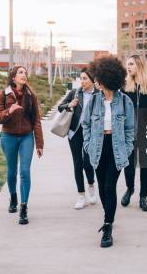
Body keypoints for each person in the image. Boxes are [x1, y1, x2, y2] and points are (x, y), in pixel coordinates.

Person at [82, 56, 134, 248]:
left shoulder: (125, 101)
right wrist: (87, 145)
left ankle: (107, 226)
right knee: (103, 187)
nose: (95, 81)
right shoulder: (94, 101)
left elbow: (130, 129)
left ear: (106, 79)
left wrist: (127, 149)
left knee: (110, 186)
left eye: (97, 78)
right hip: (97, 147)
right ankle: (109, 216)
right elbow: (85, 124)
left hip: (117, 148)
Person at [0, 65, 44, 225]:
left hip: (26, 138)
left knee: (24, 171)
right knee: (11, 171)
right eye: (20, 72)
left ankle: (23, 207)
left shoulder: (30, 96)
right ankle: (13, 196)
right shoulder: (4, 94)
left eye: (25, 73)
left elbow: (36, 120)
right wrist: (9, 111)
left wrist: (39, 143)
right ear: (13, 77)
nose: (24, 75)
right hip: (8, 137)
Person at [121, 54, 147, 212]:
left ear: (139, 65)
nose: (128, 66)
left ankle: (143, 196)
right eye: (128, 64)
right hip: (128, 133)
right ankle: (130, 189)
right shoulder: (124, 86)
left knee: (145, 165)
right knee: (129, 164)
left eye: (131, 64)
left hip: (146, 133)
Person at [57, 67, 98, 209]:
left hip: (90, 134)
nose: (82, 81)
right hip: (74, 133)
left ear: (93, 80)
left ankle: (91, 185)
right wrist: (69, 105)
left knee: (88, 163)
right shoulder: (75, 92)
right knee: (77, 164)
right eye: (81, 78)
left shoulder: (99, 95)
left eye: (85, 78)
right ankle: (81, 195)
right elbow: (60, 107)